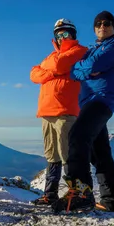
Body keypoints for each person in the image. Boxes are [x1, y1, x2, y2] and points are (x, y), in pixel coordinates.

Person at [52, 11, 114, 214]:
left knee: (77, 136)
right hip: (89, 102)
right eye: (99, 24)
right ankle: (112, 200)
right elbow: (74, 71)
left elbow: (90, 66)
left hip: (101, 100)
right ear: (94, 28)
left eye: (107, 23)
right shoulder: (94, 48)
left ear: (113, 27)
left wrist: (84, 68)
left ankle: (81, 194)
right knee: (99, 153)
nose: (103, 26)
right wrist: (84, 68)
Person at [30, 19, 87, 205]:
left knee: (67, 154)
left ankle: (76, 193)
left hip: (66, 111)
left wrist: (48, 71)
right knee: (51, 154)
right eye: (59, 34)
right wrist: (51, 72)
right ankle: (50, 193)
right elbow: (33, 74)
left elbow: (58, 66)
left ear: (73, 35)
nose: (62, 37)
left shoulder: (80, 51)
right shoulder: (52, 56)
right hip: (47, 111)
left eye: (66, 33)